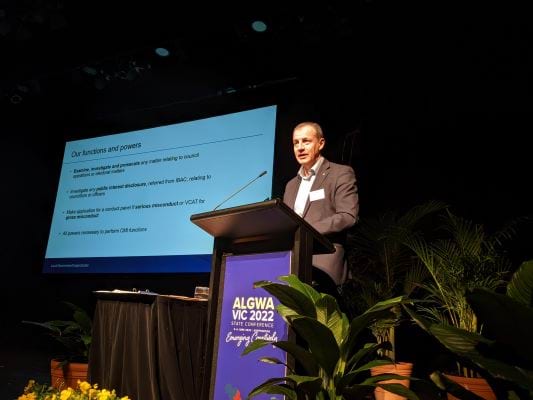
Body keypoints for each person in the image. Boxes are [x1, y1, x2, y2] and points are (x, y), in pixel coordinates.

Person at [283, 121, 359, 297]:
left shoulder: (340, 173)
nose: (300, 147)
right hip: (292, 264)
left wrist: (307, 229)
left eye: (306, 141)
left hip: (324, 263)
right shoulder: (291, 185)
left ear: (321, 143)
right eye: (296, 143)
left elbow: (348, 216)